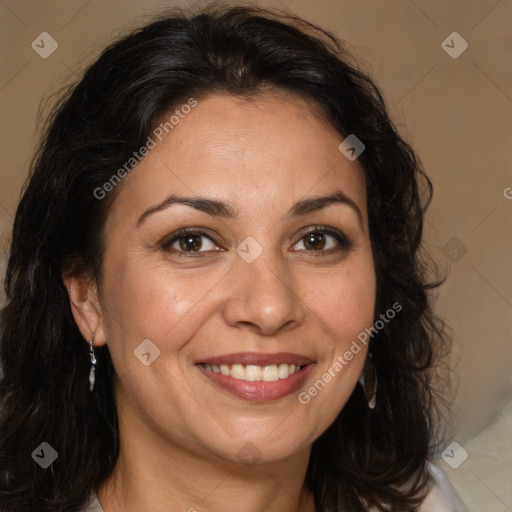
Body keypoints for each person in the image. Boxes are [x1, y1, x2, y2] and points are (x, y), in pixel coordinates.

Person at [0, 4, 470, 511]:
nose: (269, 308)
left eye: (316, 240)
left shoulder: (420, 501)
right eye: (192, 241)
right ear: (87, 296)